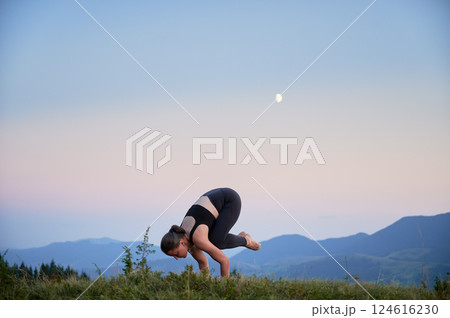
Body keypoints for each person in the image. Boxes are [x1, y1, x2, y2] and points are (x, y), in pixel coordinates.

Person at [160, 187, 261, 277]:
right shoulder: (184, 237)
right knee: (213, 240)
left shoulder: (197, 238)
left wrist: (224, 288)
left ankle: (246, 240)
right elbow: (203, 262)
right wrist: (206, 286)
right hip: (212, 197)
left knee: (217, 242)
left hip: (229, 200)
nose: (176, 258)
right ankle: (240, 237)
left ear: (181, 243)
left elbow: (224, 261)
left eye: (176, 253)